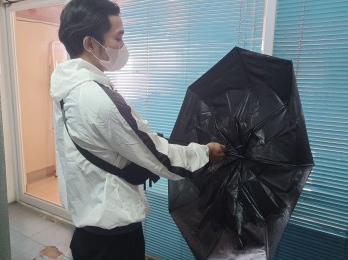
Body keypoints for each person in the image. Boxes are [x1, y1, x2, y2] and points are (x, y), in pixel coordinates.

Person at [50, 0, 226, 259]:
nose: (122, 45)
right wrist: (205, 153)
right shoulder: (95, 97)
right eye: (118, 37)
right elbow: (158, 157)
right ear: (90, 43)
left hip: (88, 225)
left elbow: (108, 144)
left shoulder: (67, 87)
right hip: (114, 238)